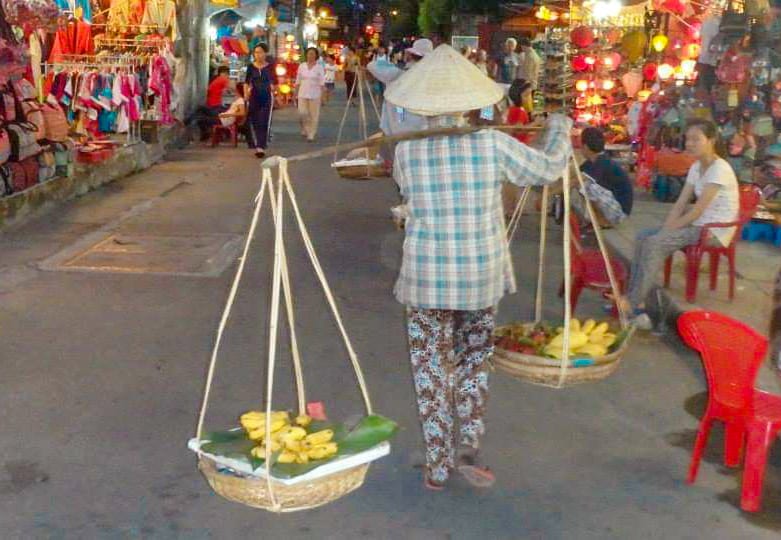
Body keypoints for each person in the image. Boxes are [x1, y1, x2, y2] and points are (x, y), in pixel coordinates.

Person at [385, 44, 572, 491]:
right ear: (473, 104)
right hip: (478, 275)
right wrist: (559, 129)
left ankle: (437, 464)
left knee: (430, 367)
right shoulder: (493, 144)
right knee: (472, 360)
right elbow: (546, 169)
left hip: (428, 276)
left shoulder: (406, 153)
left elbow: (414, 200)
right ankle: (467, 442)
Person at [618, 119, 739, 329]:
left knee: (655, 243)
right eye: (688, 139)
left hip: (713, 231)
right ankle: (632, 297)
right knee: (643, 237)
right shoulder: (696, 166)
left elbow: (698, 209)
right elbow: (681, 203)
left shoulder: (720, 169)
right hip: (698, 225)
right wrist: (667, 226)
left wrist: (668, 231)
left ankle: (634, 303)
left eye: (696, 139)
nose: (690, 144)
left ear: (711, 140)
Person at [579, 127, 634, 224]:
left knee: (587, 186)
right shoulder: (592, 162)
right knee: (583, 185)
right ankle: (596, 218)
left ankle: (602, 220)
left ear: (586, 147)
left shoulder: (602, 162)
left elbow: (576, 180)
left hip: (619, 211)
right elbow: (574, 175)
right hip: (613, 206)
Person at [244, 43, 277, 158]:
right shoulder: (251, 67)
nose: (258, 55)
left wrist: (273, 88)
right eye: (256, 52)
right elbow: (247, 82)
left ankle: (260, 146)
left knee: (264, 121)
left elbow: (275, 82)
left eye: (260, 52)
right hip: (254, 96)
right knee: (255, 121)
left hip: (266, 96)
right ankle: (257, 142)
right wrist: (245, 94)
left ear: (265, 53)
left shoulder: (270, 67)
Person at [295, 47, 325, 142]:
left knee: (313, 115)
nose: (310, 56)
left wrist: (323, 96)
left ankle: (311, 134)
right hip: (302, 93)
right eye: (309, 53)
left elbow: (322, 82)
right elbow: (298, 80)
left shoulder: (319, 67)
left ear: (316, 56)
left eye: (312, 54)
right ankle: (305, 128)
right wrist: (295, 93)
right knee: (302, 113)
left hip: (315, 94)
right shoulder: (302, 66)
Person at [198, 65, 232, 140]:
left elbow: (228, 90)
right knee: (200, 114)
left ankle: (186, 122)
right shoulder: (222, 80)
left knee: (200, 114)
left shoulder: (218, 80)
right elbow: (229, 90)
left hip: (214, 106)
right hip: (215, 106)